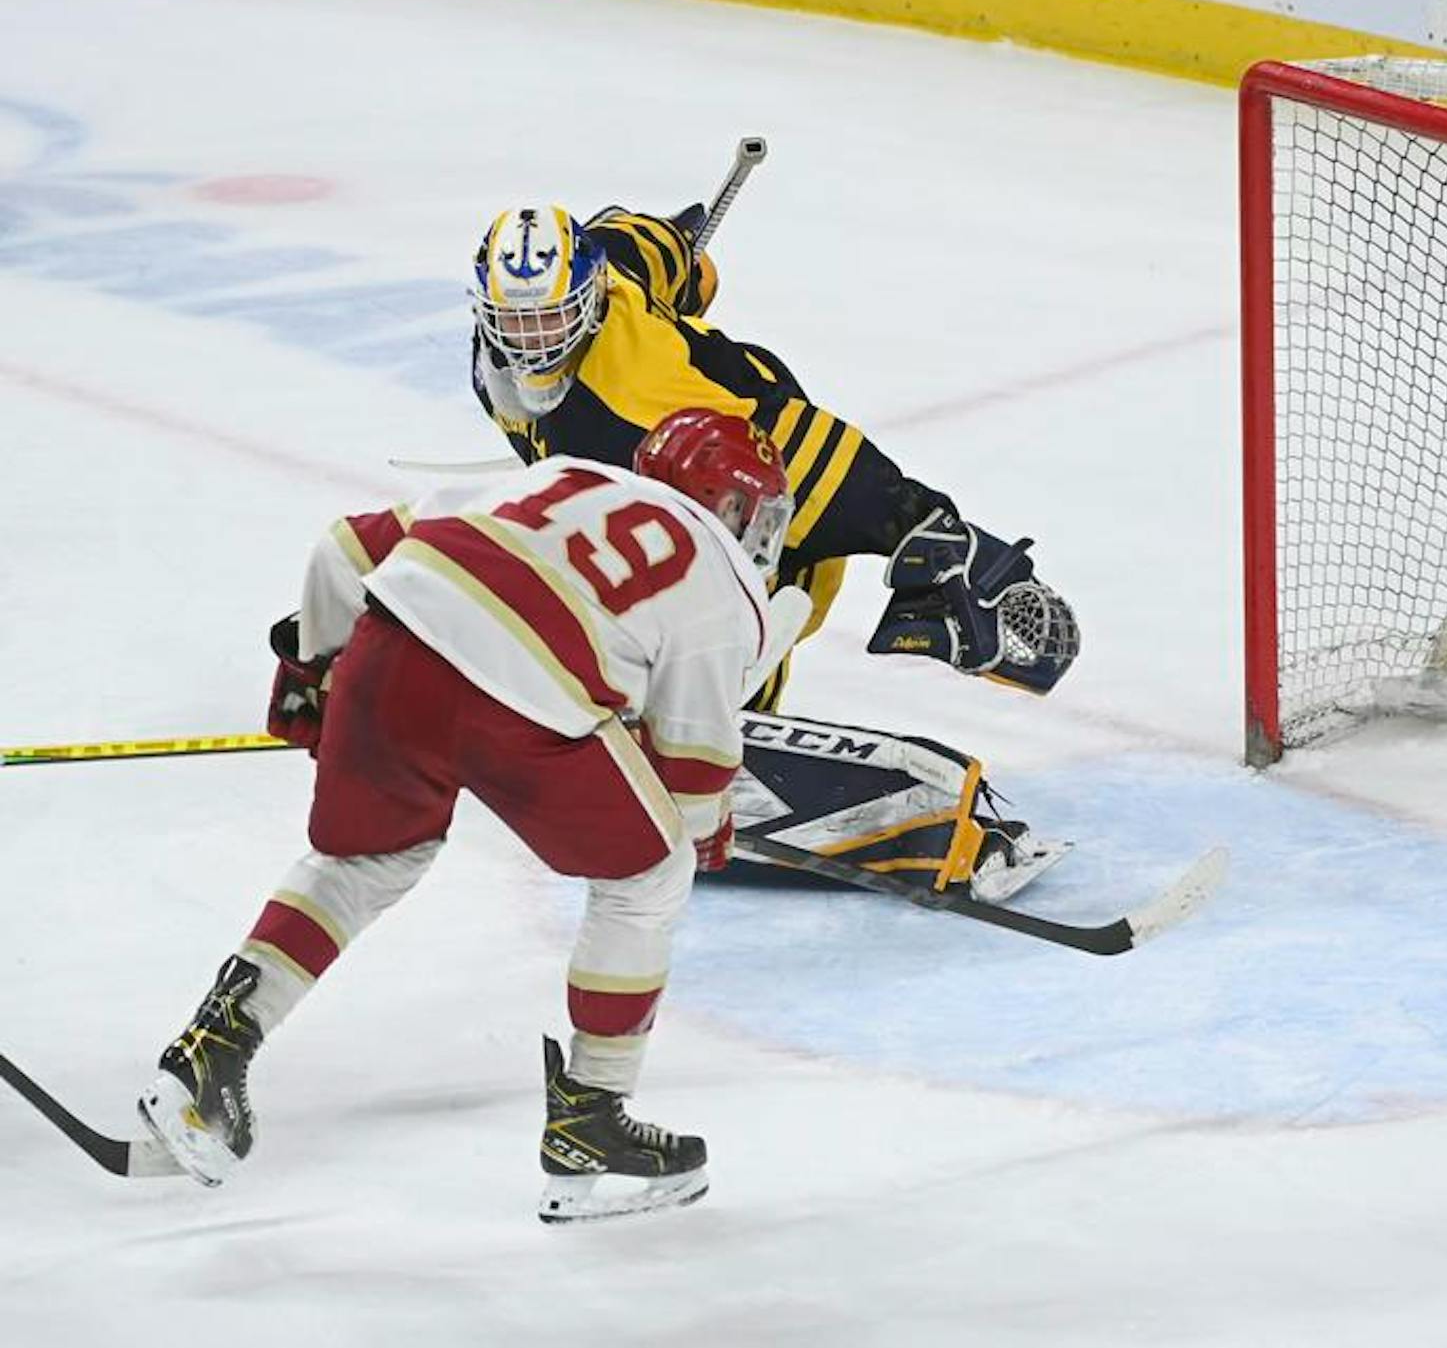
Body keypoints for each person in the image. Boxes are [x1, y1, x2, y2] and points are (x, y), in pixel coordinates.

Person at [138, 408, 795, 1225]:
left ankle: (206, 1058)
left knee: (367, 859)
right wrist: (701, 825)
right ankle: (591, 1121)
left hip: (394, 642)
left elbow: (347, 550)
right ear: (733, 506)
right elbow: (695, 775)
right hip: (525, 703)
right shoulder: (727, 581)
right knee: (649, 873)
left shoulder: (559, 477)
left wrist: (312, 670)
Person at [467, 202, 1079, 902]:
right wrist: (690, 266)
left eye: (550, 317)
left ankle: (829, 792)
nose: (533, 340)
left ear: (591, 294)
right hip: (662, 510)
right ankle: (723, 740)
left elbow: (796, 461)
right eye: (516, 320)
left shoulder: (638, 394)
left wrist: (920, 527)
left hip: (754, 499)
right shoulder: (578, 292)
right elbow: (644, 241)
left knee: (689, 701)